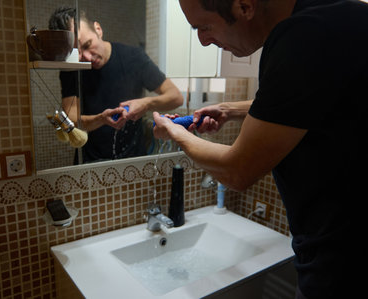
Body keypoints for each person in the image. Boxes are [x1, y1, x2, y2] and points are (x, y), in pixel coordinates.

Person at [153, 0, 368, 298]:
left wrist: (177, 134)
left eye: (204, 26)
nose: (202, 42)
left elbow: (237, 170)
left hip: (344, 268)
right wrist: (232, 108)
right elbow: (311, 98)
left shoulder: (303, 36)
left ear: (244, 6)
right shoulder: (344, 16)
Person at [49, 7, 183, 163]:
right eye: (75, 52)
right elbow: (71, 119)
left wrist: (146, 103)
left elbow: (176, 97)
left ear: (98, 29)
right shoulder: (71, 68)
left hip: (133, 160)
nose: (85, 57)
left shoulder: (133, 57)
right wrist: (101, 119)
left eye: (87, 45)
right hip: (89, 162)